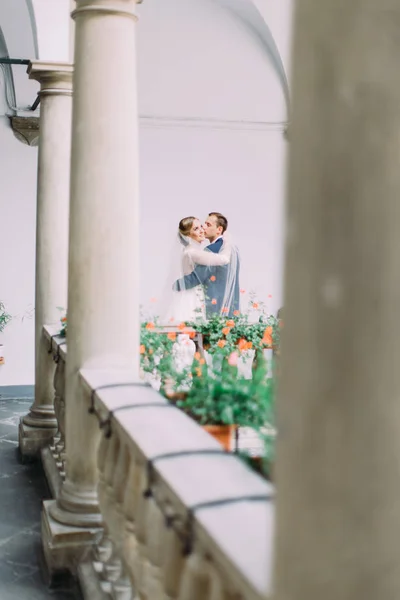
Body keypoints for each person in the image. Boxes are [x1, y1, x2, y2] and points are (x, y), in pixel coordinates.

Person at [161, 215, 232, 323]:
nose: (202, 230)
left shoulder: (192, 250)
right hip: (191, 295)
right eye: (196, 229)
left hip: (193, 293)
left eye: (201, 227)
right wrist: (227, 242)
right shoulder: (192, 252)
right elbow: (224, 259)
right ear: (188, 235)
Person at [173, 212, 240, 318]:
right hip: (230, 304)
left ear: (219, 229)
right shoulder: (232, 249)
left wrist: (175, 285)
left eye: (208, 225)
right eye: (202, 225)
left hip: (215, 305)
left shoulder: (211, 250)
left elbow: (196, 278)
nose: (203, 228)